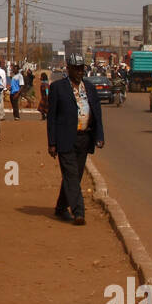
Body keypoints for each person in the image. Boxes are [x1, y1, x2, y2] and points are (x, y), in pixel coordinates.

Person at [46, 56, 105, 225]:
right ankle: (79, 212)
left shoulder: (90, 89)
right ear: (68, 68)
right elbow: (52, 118)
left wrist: (99, 136)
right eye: (76, 68)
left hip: (84, 138)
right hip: (65, 139)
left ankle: (60, 207)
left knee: (75, 176)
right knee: (71, 175)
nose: (79, 71)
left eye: (81, 68)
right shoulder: (58, 88)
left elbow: (97, 114)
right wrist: (52, 142)